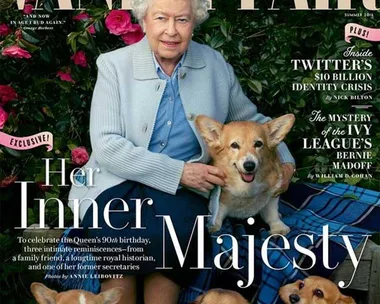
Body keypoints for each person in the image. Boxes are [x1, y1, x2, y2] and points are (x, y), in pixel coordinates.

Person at [67, 0, 296, 303]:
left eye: (182, 20)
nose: (171, 31)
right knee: (118, 231)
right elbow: (107, 146)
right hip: (116, 181)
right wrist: (179, 173)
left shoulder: (214, 64)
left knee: (177, 235)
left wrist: (285, 159)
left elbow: (252, 122)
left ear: (194, 23)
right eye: (161, 18)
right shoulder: (114, 65)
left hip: (184, 192)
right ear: (144, 21)